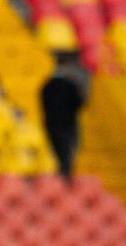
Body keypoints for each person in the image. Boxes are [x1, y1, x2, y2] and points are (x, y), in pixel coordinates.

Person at [40, 50, 89, 182]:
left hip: (51, 123)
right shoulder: (70, 85)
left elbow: (43, 104)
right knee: (67, 153)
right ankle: (65, 179)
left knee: (58, 153)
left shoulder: (47, 85)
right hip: (67, 124)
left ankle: (61, 178)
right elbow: (79, 104)